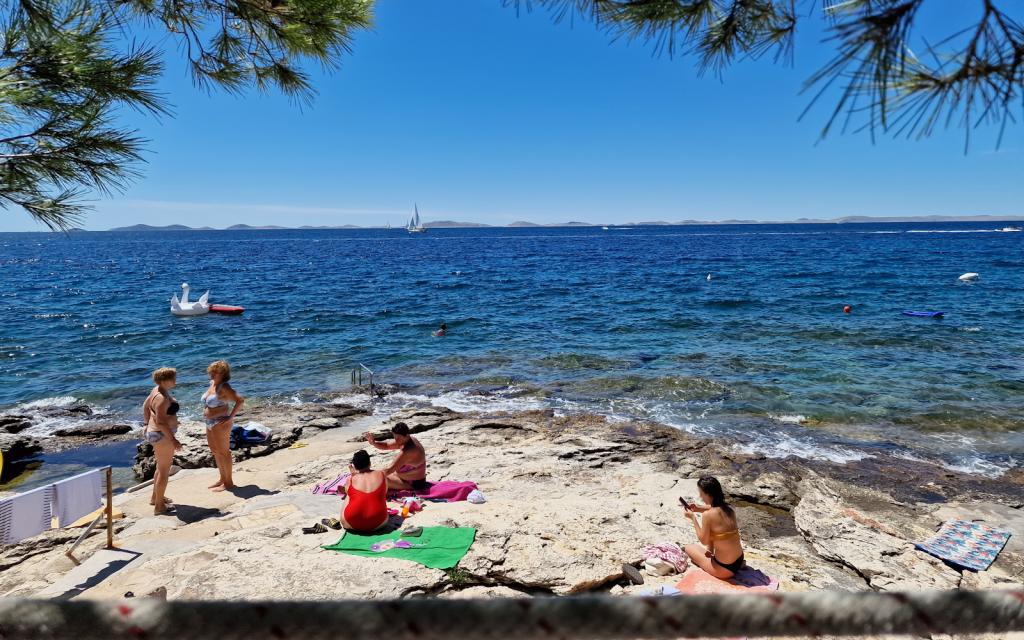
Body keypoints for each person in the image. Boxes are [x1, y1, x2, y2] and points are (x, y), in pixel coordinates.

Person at [682, 476, 745, 578]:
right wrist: (698, 508)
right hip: (739, 560)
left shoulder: (708, 515)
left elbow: (704, 541)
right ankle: (712, 554)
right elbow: (714, 508)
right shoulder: (729, 510)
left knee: (689, 548)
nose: (700, 496)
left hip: (724, 568)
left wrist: (693, 518)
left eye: (701, 493)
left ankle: (714, 563)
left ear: (708, 494)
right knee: (713, 531)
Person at [142, 367, 183, 515]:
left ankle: (156, 498)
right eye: (173, 379)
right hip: (162, 436)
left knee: (160, 468)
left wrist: (146, 423)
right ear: (164, 381)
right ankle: (159, 507)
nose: (175, 381)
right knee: (164, 471)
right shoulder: (161, 398)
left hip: (156, 433)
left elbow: (145, 407)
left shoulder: (156, 390)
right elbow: (160, 422)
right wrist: (173, 440)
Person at [202, 360, 244, 492]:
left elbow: (240, 400)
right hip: (209, 422)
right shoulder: (212, 383)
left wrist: (230, 416)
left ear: (223, 373)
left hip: (220, 423)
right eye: (211, 371)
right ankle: (222, 479)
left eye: (215, 372)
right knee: (215, 451)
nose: (212, 374)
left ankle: (229, 482)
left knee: (224, 452)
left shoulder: (224, 387)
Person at [366, 422, 428, 490]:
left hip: (414, 484)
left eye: (398, 437)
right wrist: (374, 443)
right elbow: (387, 445)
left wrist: (368, 478)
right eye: (394, 437)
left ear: (407, 435)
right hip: (403, 478)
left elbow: (389, 470)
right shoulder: (407, 440)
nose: (396, 440)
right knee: (377, 475)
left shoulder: (408, 451)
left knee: (380, 480)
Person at [339, 450, 389, 532]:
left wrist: (353, 476)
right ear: (370, 463)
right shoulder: (382, 474)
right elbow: (384, 493)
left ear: (355, 467)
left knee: (349, 494)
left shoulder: (351, 479)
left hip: (351, 523)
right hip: (379, 523)